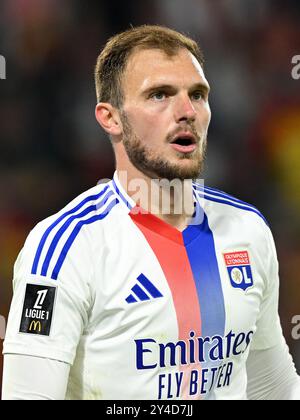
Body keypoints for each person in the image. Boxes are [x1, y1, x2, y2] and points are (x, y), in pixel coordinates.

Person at [2, 25, 300, 400]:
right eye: (160, 95)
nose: (187, 111)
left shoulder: (247, 229)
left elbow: (270, 385)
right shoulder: (64, 249)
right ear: (110, 119)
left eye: (198, 94)